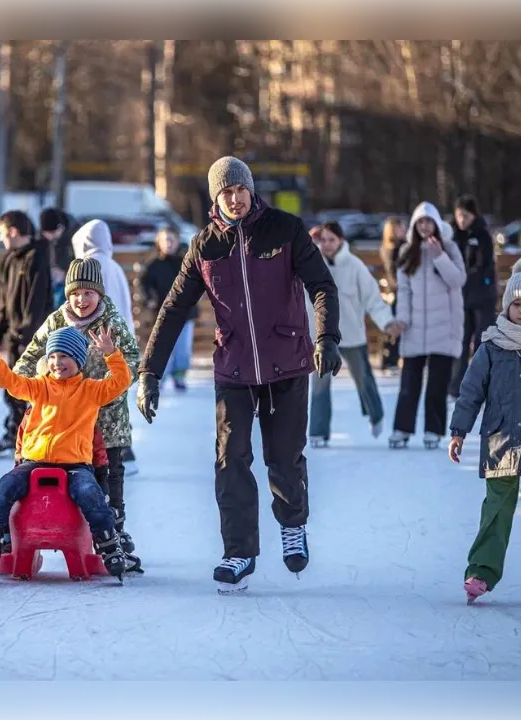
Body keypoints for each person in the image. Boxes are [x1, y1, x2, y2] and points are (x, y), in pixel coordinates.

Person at [137, 156, 341, 592]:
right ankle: (239, 551)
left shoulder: (285, 229)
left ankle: (292, 523)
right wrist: (149, 371)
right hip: (234, 368)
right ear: (216, 197)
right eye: (225, 191)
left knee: (284, 458)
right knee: (231, 461)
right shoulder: (204, 246)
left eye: (239, 188)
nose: (234, 197)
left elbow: (321, 286)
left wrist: (326, 337)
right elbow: (174, 309)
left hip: (286, 362)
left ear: (251, 189)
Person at [0, 326, 130, 583]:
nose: (56, 363)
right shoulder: (39, 387)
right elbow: (10, 382)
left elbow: (121, 382)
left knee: (90, 493)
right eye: (52, 356)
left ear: (79, 360)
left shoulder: (90, 390)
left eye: (64, 356)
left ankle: (108, 544)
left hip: (75, 465)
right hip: (34, 462)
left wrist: (111, 354)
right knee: (2, 489)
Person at [14, 258, 142, 570]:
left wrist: (105, 388)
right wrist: (40, 386)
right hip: (65, 422)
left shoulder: (111, 321)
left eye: (88, 293)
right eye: (75, 294)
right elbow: (27, 359)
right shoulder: (57, 320)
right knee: (71, 479)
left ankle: (115, 533)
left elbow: (134, 361)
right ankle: (53, 526)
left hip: (106, 415)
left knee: (110, 475)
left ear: (99, 293)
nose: (81, 300)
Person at [448, 258, 521, 604]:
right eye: (517, 304)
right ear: (506, 305)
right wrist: (458, 431)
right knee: (496, 507)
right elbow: (471, 391)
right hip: (500, 440)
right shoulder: (492, 345)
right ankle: (481, 570)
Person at [308, 221, 401, 445]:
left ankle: (376, 415)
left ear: (341, 240)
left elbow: (373, 298)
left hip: (351, 335)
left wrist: (387, 322)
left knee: (364, 379)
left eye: (332, 240)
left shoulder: (354, 265)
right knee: (320, 383)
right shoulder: (311, 263)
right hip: (323, 338)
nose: (328, 245)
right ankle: (318, 432)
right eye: (324, 240)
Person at [389, 202, 466, 449]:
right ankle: (402, 429)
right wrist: (402, 319)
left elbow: (458, 279)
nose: (424, 226)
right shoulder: (406, 252)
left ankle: (433, 430)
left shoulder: (449, 247)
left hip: (443, 327)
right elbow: (403, 290)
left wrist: (439, 257)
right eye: (420, 222)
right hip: (415, 328)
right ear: (414, 225)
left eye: (428, 221)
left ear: (436, 224)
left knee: (437, 383)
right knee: (409, 382)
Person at [71, 218, 141, 474]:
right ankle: (122, 454)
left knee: (99, 402)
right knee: (114, 400)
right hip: (119, 343)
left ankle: (114, 458)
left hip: (100, 343)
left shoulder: (92, 267)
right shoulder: (114, 267)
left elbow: (92, 309)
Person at [0, 210, 53, 457]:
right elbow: (6, 299)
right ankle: (16, 432)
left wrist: (28, 335)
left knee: (35, 389)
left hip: (34, 337)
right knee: (13, 388)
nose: (2, 239)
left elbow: (37, 300)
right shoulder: (9, 259)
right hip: (16, 336)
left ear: (14, 232)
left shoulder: (37, 256)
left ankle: (34, 436)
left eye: (3, 234)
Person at [448, 195, 498, 399]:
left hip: (482, 298)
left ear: (473, 215)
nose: (462, 220)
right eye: (459, 215)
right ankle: (455, 386)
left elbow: (483, 266)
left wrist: (466, 278)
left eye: (465, 216)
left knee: (481, 342)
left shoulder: (482, 235)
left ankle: (480, 386)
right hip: (462, 298)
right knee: (460, 341)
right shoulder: (452, 236)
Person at [139, 227, 197, 391]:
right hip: (162, 314)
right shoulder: (154, 265)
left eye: (172, 240)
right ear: (159, 242)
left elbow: (196, 282)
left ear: (178, 241)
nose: (169, 244)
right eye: (166, 240)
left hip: (185, 313)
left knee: (183, 349)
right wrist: (148, 298)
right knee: (163, 347)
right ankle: (160, 378)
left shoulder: (185, 262)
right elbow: (144, 285)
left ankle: (179, 377)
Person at [378, 216, 407, 372]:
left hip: (394, 292)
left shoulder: (393, 247)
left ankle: (390, 358)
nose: (405, 230)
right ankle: (390, 359)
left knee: (394, 326)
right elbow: (393, 272)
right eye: (401, 227)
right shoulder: (395, 248)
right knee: (394, 326)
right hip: (396, 293)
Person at [38, 207, 76, 307]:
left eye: (53, 233)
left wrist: (65, 273)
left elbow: (79, 261)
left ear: (61, 227)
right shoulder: (41, 237)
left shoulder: (74, 235)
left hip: (69, 283)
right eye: (46, 234)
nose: (50, 237)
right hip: (49, 283)